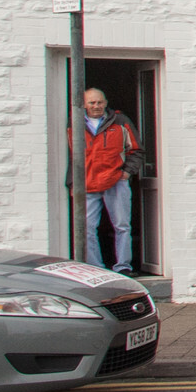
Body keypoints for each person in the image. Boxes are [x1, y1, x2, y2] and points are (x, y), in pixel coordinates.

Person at [78, 88, 140, 273]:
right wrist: (73, 181)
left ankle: (123, 267)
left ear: (105, 103)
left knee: (122, 225)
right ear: (84, 104)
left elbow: (136, 149)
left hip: (116, 180)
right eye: (91, 103)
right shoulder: (75, 123)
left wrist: (127, 172)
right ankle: (95, 268)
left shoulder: (120, 121)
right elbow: (70, 154)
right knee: (87, 228)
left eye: (99, 102)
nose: (96, 106)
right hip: (89, 182)